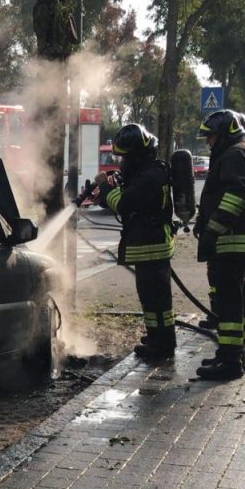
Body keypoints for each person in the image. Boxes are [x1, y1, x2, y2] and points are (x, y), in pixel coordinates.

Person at [194, 109, 245, 381]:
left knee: (229, 300)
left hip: (234, 239)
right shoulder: (243, 151)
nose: (208, 142)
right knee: (236, 297)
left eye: (211, 136)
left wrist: (212, 230)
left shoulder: (234, 154)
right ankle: (233, 354)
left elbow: (237, 195)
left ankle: (230, 362)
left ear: (225, 134)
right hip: (240, 239)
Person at [95, 123, 176, 361]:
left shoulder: (151, 176)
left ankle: (162, 346)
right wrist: (106, 193)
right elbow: (124, 201)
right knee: (152, 300)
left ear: (137, 156)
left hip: (152, 247)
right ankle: (156, 338)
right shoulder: (146, 173)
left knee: (157, 301)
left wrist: (103, 185)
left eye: (125, 158)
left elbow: (124, 203)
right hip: (148, 246)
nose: (122, 163)